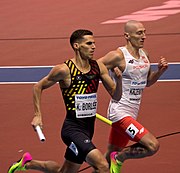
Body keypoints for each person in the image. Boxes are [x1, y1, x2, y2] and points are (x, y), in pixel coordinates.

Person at [8, 29, 123, 173]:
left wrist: (119, 81)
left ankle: (28, 163)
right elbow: (38, 86)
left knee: (65, 172)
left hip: (88, 129)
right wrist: (38, 115)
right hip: (72, 129)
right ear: (76, 46)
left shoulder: (98, 67)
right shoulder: (64, 70)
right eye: (89, 43)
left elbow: (116, 96)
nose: (94, 46)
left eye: (94, 43)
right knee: (103, 166)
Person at [98, 20, 168, 173]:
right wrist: (111, 82)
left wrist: (160, 71)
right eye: (139, 33)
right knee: (152, 146)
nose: (144, 36)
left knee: (107, 159)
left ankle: (112, 160)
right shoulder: (117, 55)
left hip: (132, 113)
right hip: (119, 113)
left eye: (144, 32)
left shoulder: (145, 55)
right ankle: (120, 158)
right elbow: (95, 68)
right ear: (127, 36)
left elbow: (148, 82)